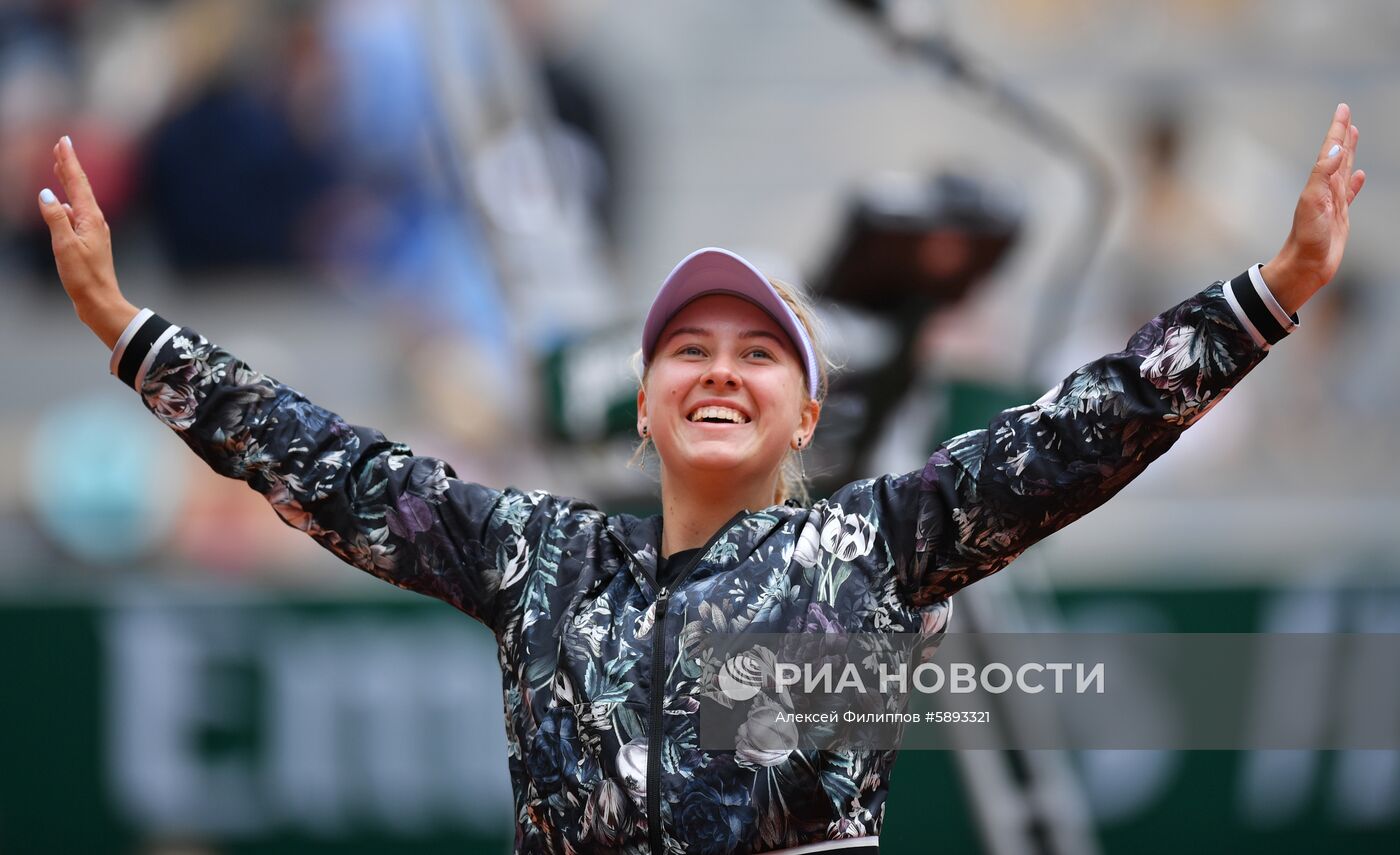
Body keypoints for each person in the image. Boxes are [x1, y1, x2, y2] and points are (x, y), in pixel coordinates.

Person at [40, 105, 1365, 855]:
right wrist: (128, 330)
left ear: (807, 412)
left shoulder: (878, 547)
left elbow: (1088, 428)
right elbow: (335, 467)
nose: (719, 373)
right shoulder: (539, 560)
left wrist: (1272, 294)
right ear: (644, 401)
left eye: (756, 354)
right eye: (687, 348)